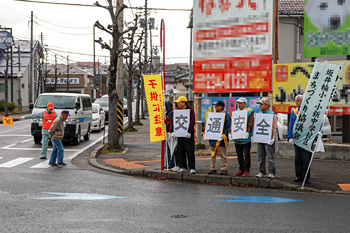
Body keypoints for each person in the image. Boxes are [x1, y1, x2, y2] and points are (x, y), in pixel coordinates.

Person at [288, 95, 312, 184]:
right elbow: (291, 124)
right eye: (295, 101)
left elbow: (316, 121)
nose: (296, 102)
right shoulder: (294, 112)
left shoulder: (309, 111)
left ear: (302, 101)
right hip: (297, 138)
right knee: (298, 158)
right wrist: (290, 136)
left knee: (306, 158)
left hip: (306, 138)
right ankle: (299, 175)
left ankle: (306, 176)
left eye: (297, 100)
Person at [172, 96, 196, 174]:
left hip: (188, 134)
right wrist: (172, 131)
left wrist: (189, 131)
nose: (177, 104)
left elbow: (192, 121)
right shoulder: (177, 111)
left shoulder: (190, 111)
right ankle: (183, 166)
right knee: (180, 150)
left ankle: (192, 167)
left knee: (190, 151)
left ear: (183, 102)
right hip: (179, 134)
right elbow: (173, 121)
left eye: (179, 102)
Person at [255, 97, 278, 178]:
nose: (260, 106)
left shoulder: (272, 115)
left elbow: (275, 127)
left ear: (267, 105)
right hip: (260, 137)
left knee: (270, 157)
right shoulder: (259, 114)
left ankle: (272, 172)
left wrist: (273, 138)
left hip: (269, 138)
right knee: (260, 156)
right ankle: (262, 171)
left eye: (261, 104)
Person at [207, 100, 231, 175]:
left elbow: (228, 127)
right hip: (213, 137)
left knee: (223, 154)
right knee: (213, 153)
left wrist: (224, 134)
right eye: (215, 106)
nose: (215, 107)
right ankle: (212, 167)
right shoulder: (213, 115)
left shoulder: (226, 115)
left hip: (222, 138)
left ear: (221, 107)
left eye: (217, 106)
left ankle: (224, 168)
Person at [233, 97, 254, 177]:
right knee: (239, 154)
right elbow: (233, 123)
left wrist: (248, 131)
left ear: (245, 103)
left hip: (245, 137)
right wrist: (231, 132)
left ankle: (246, 170)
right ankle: (240, 169)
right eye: (238, 103)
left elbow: (250, 122)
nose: (239, 104)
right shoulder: (236, 112)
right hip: (237, 137)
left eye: (241, 103)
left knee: (246, 154)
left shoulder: (249, 111)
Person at [164, 101, 175, 169]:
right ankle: (169, 163)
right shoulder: (169, 113)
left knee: (170, 149)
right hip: (169, 133)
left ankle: (170, 163)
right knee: (169, 149)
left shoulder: (171, 113)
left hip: (170, 134)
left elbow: (168, 122)